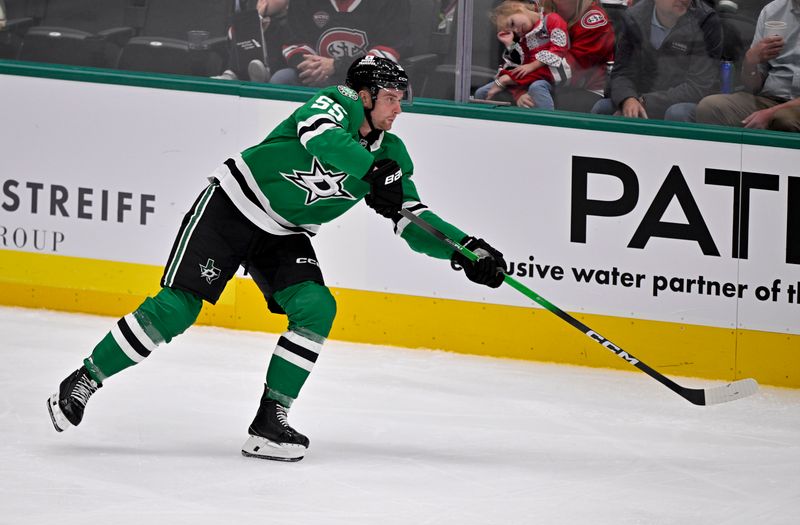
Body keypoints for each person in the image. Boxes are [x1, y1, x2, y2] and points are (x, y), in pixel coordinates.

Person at [46, 56, 507, 463]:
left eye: (401, 99)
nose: (399, 108)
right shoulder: (337, 102)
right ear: (365, 95)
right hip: (232, 207)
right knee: (177, 309)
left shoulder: (393, 154)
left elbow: (415, 221)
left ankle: (270, 420)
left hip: (283, 234)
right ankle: (85, 378)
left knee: (317, 307)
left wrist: (466, 251)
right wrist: (371, 173)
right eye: (390, 98)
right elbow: (319, 138)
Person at [590, 0, 723, 121]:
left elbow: (699, 87)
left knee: (677, 113)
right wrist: (627, 99)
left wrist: (645, 102)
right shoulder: (635, 16)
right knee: (603, 108)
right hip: (639, 97)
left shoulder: (705, 20)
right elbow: (621, 72)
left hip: (681, 102)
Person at [695, 0, 800, 131]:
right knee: (710, 107)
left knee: (783, 120)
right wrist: (750, 61)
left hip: (792, 108)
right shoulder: (772, 11)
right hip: (769, 99)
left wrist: (772, 112)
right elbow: (752, 87)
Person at [270, 0, 412, 87]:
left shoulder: (392, 2)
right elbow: (294, 42)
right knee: (283, 78)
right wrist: (313, 67)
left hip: (367, 82)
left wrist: (336, 66)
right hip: (319, 78)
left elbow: (386, 52)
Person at [474, 0, 571, 109]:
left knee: (536, 87)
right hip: (529, 78)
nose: (516, 30)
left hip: (555, 75)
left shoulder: (552, 19)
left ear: (518, 7)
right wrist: (511, 44)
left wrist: (530, 67)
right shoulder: (523, 38)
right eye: (512, 31)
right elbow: (517, 65)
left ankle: (548, 123)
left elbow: (559, 48)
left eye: (512, 23)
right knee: (481, 93)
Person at [544, 0, 616, 112]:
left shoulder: (593, 21)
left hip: (589, 88)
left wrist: (523, 78)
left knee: (536, 101)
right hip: (561, 84)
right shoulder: (547, 15)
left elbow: (570, 70)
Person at [214, 0, 290, 81]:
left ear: (288, 4)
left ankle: (261, 75)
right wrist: (254, 21)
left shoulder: (289, 26)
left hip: (272, 72)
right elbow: (231, 38)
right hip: (240, 72)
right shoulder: (250, 18)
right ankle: (233, 74)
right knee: (243, 40)